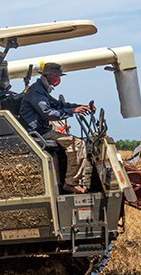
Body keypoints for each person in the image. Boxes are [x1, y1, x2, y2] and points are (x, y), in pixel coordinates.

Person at [17, 62, 93, 193]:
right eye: (58, 76)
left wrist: (79, 107)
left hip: (42, 130)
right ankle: (71, 182)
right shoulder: (37, 91)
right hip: (38, 132)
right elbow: (48, 113)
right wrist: (72, 111)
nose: (59, 79)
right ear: (51, 75)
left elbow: (58, 105)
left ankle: (76, 180)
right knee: (77, 143)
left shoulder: (41, 89)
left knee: (76, 143)